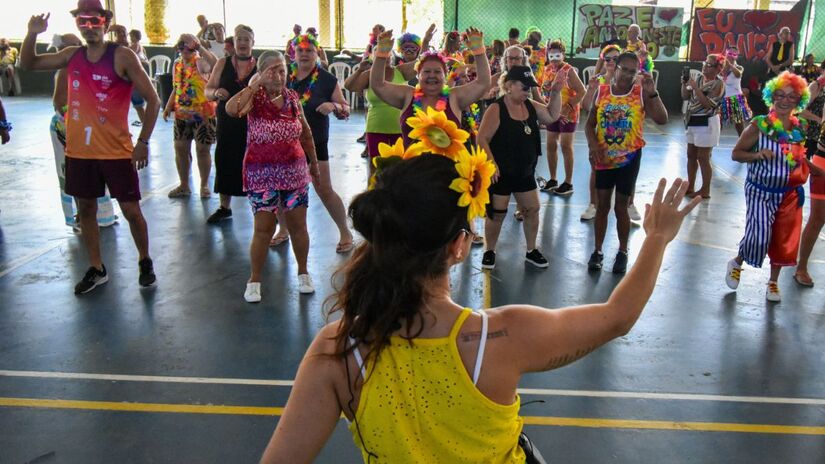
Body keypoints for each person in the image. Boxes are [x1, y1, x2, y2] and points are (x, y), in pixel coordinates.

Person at [258, 149, 700, 462]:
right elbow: (617, 317)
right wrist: (657, 238)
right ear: (457, 246)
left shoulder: (338, 350)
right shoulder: (503, 337)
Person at [21, 0, 161, 294]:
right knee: (85, 209)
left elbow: (153, 99)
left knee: (131, 210)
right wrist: (32, 33)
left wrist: (143, 142)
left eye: (94, 21)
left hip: (116, 151)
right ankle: (97, 267)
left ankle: (145, 260)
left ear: (105, 23)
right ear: (77, 25)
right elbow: (28, 64)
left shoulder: (122, 56)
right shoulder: (72, 55)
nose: (89, 27)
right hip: (80, 151)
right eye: (82, 22)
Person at [225, 51, 321, 300]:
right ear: (261, 72)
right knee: (263, 228)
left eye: (282, 70)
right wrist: (255, 83)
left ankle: (303, 272)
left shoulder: (292, 98)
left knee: (298, 225)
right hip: (262, 173)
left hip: (294, 171)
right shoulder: (253, 98)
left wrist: (314, 163)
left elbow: (306, 132)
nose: (279, 76)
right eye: (272, 70)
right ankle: (254, 279)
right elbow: (231, 109)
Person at [725, 72, 824, 301]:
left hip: (789, 194)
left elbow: (796, 157)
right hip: (761, 190)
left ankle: (773, 282)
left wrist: (812, 167)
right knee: (758, 236)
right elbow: (736, 154)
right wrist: (758, 155)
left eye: (791, 97)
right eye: (779, 95)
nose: (784, 100)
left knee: (783, 239)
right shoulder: (759, 126)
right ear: (772, 97)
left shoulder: (799, 129)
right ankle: (737, 262)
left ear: (798, 100)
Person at [585, 52, 668, 274]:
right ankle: (598, 250)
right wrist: (593, 145)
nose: (629, 75)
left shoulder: (640, 93)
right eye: (626, 69)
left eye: (634, 71)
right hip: (604, 157)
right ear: (616, 68)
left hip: (629, 158)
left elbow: (662, 119)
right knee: (602, 205)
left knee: (621, 206)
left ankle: (622, 251)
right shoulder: (602, 92)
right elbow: (589, 123)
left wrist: (653, 94)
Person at [478, 65, 562, 270]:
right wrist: (491, 163)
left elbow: (552, 116)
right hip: (502, 172)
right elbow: (482, 138)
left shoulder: (531, 105)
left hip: (524, 172)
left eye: (529, 87)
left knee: (532, 209)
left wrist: (556, 92)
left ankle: (531, 250)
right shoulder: (496, 108)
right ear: (509, 86)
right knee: (497, 214)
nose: (527, 91)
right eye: (524, 87)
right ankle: (490, 250)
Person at [285, 34, 353, 252]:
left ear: (317, 53)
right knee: (282, 189)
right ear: (293, 53)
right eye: (300, 50)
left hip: (315, 143)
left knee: (324, 189)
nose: (304, 54)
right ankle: (282, 229)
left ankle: (345, 231)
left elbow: (345, 108)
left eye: (309, 51)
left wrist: (333, 106)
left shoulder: (326, 79)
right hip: (285, 143)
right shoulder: (283, 75)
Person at [48, 32, 116, 229]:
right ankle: (81, 215)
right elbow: (59, 103)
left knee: (94, 171)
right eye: (73, 44)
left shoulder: (86, 66)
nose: (79, 46)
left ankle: (99, 213)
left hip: (88, 126)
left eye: (79, 43)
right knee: (74, 172)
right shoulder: (64, 70)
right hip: (69, 127)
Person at [205, 24, 257, 224]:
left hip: (253, 122)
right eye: (239, 39)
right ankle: (224, 207)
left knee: (253, 163)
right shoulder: (222, 63)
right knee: (225, 159)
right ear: (233, 42)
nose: (242, 43)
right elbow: (208, 90)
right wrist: (216, 93)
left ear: (253, 42)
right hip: (227, 122)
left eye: (246, 39)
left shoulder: (260, 64)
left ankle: (261, 206)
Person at [163, 33, 217, 198]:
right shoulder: (177, 65)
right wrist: (168, 106)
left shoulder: (200, 62)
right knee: (180, 149)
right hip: (182, 114)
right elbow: (176, 87)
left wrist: (199, 46)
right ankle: (184, 185)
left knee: (202, 150)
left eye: (188, 47)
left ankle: (204, 185)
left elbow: (215, 64)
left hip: (203, 114)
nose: (184, 51)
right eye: (181, 47)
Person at [580, 44, 621, 221]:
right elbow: (586, 106)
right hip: (602, 135)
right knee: (596, 170)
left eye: (615, 59)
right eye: (608, 59)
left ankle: (628, 204)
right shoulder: (598, 81)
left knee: (626, 171)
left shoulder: (628, 81)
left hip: (624, 135)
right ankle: (593, 204)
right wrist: (590, 89)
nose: (611, 62)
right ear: (603, 61)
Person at [540, 40, 584, 196]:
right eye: (551, 55)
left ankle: (568, 182)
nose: (554, 58)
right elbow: (543, 90)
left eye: (558, 55)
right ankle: (553, 179)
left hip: (568, 114)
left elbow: (581, 91)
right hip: (552, 113)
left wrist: (568, 107)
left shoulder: (568, 70)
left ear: (563, 55)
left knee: (566, 146)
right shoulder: (546, 70)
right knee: (550, 144)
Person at [682, 53, 724, 199]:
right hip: (693, 119)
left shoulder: (719, 84)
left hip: (707, 122)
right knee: (691, 155)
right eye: (704, 63)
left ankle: (705, 190)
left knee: (703, 157)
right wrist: (684, 84)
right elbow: (685, 97)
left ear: (718, 69)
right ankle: (690, 186)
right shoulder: (698, 79)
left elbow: (708, 105)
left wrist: (695, 88)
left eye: (709, 64)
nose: (705, 66)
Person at [108, 24, 146, 127]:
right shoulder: (112, 47)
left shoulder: (132, 47)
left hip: (133, 82)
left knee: (138, 106)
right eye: (118, 33)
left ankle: (145, 127)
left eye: (123, 34)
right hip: (119, 82)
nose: (121, 36)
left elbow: (139, 60)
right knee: (117, 107)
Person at [719, 45, 751, 136]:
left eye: (734, 54)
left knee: (739, 124)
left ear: (736, 56)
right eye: (729, 53)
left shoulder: (739, 67)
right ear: (726, 53)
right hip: (721, 98)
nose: (731, 56)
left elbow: (738, 75)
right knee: (718, 122)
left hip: (735, 98)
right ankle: (711, 144)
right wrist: (725, 66)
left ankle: (743, 142)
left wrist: (731, 66)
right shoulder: (720, 67)